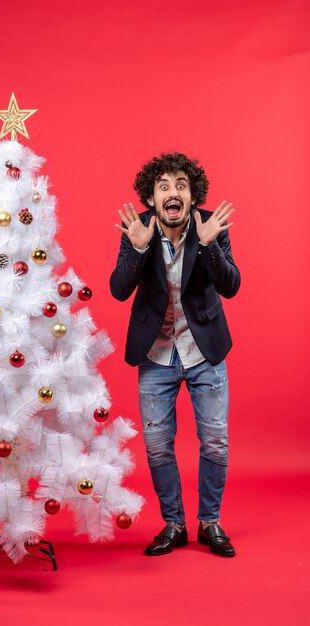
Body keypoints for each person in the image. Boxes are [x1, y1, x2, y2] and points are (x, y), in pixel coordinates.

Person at [110, 152, 240, 557]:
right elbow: (117, 289)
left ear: (192, 194)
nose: (173, 192)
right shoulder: (139, 230)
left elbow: (231, 285)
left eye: (180, 185)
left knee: (215, 441)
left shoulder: (209, 228)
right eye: (163, 186)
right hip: (156, 355)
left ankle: (210, 522)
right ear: (151, 198)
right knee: (158, 445)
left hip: (205, 353)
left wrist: (208, 246)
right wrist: (135, 251)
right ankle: (174, 524)